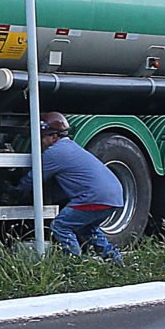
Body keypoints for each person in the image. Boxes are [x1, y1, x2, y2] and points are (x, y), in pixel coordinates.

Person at [32, 112, 124, 261]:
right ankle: (114, 259)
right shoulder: (72, 147)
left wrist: (15, 190)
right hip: (115, 197)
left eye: (44, 137)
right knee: (88, 228)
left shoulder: (54, 153)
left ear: (55, 136)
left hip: (94, 198)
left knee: (61, 225)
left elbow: (34, 178)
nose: (41, 141)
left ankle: (74, 262)